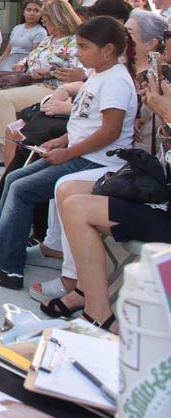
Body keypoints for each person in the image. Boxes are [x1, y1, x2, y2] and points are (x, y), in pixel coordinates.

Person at [0, 16, 136, 289]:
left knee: (23, 190)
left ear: (107, 50)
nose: (78, 53)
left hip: (93, 161)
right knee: (15, 179)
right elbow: (86, 121)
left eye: (84, 47)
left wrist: (68, 154)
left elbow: (110, 132)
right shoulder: (99, 74)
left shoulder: (116, 81)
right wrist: (60, 140)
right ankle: (5, 248)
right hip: (78, 153)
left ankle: (7, 267)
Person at [41, 74, 171, 330]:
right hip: (161, 191)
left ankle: (98, 313)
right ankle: (83, 290)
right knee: (69, 189)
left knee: (78, 208)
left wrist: (167, 114)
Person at [0, 0, 80, 172]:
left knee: (4, 98)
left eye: (47, 20)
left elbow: (77, 70)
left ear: (59, 19)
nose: (45, 24)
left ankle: (4, 149)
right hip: (33, 80)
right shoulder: (49, 39)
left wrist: (49, 70)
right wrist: (23, 63)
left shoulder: (74, 42)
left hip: (53, 87)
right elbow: (33, 56)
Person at [0, 0, 47, 64]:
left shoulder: (41, 32)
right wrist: (0, 61)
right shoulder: (17, 28)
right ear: (23, 12)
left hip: (23, 66)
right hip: (8, 63)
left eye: (36, 11)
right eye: (28, 10)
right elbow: (7, 51)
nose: (31, 13)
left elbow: (34, 56)